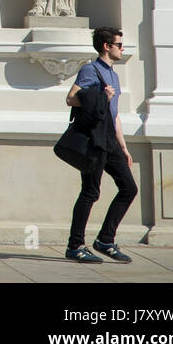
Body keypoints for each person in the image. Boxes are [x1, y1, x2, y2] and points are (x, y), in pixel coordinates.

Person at [64, 27, 136, 264]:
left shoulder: (114, 74)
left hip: (111, 140)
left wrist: (124, 147)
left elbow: (114, 115)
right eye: (119, 45)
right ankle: (75, 246)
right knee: (90, 192)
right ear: (107, 46)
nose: (122, 48)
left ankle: (105, 240)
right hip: (95, 140)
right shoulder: (90, 70)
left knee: (129, 188)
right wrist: (100, 97)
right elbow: (71, 98)